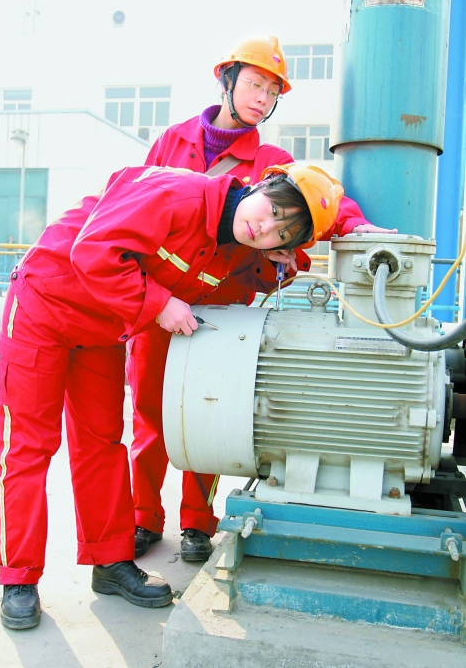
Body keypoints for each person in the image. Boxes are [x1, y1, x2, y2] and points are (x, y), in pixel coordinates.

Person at [0, 160, 342, 630]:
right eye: (274, 210)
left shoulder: (239, 248)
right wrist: (160, 304)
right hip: (44, 303)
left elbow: (255, 279)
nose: (264, 227)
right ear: (262, 184)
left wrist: (289, 260)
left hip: (102, 329)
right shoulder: (175, 195)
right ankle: (18, 579)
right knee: (27, 446)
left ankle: (109, 561)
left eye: (281, 233)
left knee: (101, 443)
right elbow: (92, 249)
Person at [128, 35, 394, 563]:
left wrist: (356, 226)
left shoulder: (271, 163)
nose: (261, 98)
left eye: (272, 92)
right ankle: (143, 516)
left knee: (205, 413)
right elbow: (139, 198)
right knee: (149, 413)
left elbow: (317, 200)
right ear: (226, 80)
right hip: (160, 302)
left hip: (220, 314)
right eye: (254, 84)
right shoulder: (172, 143)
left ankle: (197, 521)